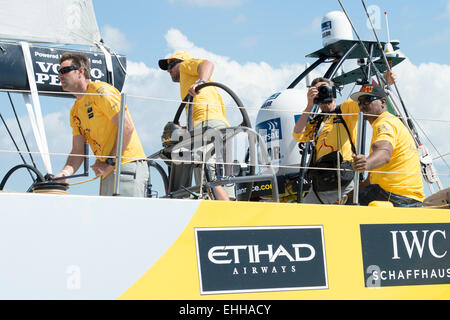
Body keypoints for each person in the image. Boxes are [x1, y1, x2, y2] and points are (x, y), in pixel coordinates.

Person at [54, 53, 149, 197]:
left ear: (80, 71)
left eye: (64, 71)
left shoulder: (100, 92)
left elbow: (126, 127)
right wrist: (64, 173)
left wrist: (109, 162)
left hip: (125, 165)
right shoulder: (75, 110)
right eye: (58, 72)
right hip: (109, 169)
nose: (60, 75)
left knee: (125, 218)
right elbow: (78, 150)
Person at [158, 51, 234, 201]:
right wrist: (185, 129)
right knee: (221, 176)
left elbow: (207, 64)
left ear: (182, 61)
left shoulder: (186, 65)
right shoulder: (188, 84)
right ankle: (228, 207)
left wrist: (201, 80)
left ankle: (225, 211)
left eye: (171, 64)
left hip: (207, 126)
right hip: (216, 125)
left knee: (208, 175)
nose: (168, 70)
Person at [350, 83, 425, 207]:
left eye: (367, 100)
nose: (362, 106)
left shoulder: (384, 123)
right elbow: (370, 180)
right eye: (360, 102)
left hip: (395, 196)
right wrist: (347, 196)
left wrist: (367, 163)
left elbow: (384, 152)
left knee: (344, 212)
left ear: (383, 102)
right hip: (409, 198)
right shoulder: (392, 121)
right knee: (348, 200)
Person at [292, 77, 360, 204]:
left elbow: (364, 99)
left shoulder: (345, 110)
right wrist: (309, 105)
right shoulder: (318, 121)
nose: (322, 92)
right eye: (317, 91)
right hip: (322, 181)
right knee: (302, 216)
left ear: (333, 91)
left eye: (324, 89)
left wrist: (383, 83)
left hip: (343, 179)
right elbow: (297, 134)